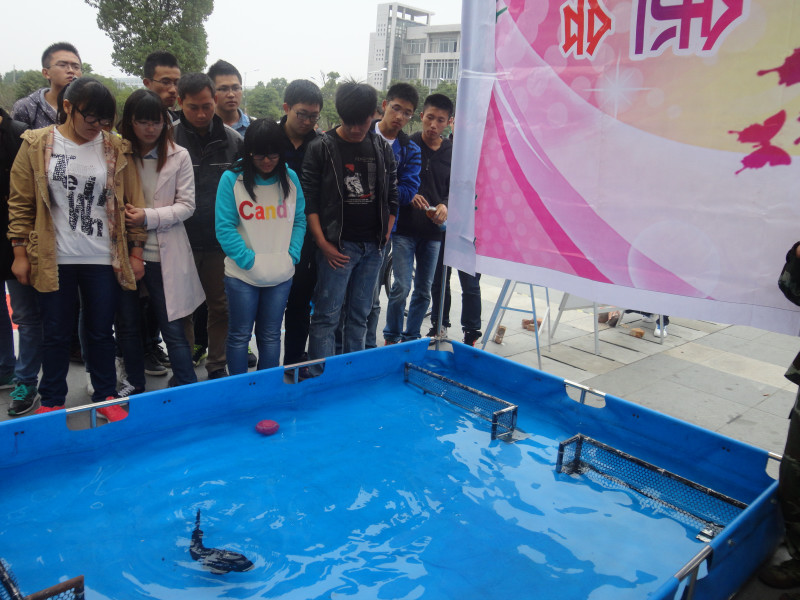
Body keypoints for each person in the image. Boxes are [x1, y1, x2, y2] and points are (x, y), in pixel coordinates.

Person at [8, 77, 147, 421]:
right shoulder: (38, 143)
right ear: (68, 107)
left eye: (105, 120)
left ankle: (105, 396)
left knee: (101, 331)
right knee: (55, 332)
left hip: (102, 256)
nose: (97, 126)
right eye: (91, 118)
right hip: (55, 255)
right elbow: (21, 202)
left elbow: (133, 202)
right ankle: (53, 401)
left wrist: (136, 251)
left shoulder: (116, 147)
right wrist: (20, 253)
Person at [301, 82, 398, 365]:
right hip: (337, 246)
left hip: (373, 247)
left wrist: (385, 236)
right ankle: (322, 375)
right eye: (349, 122)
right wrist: (323, 244)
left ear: (373, 115)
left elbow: (393, 196)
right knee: (326, 315)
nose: (356, 129)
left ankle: (351, 374)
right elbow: (309, 201)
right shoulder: (322, 147)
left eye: (363, 122)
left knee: (360, 315)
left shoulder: (381, 147)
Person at [119, 89, 205, 388]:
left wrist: (147, 216)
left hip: (161, 252)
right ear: (130, 122)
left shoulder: (178, 155)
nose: (150, 129)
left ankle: (185, 383)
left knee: (172, 326)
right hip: (124, 251)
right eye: (142, 122)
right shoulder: (118, 153)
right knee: (128, 325)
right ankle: (134, 385)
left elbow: (187, 206)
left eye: (156, 122)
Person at [216, 119, 306, 374]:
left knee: (271, 335)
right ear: (249, 152)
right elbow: (224, 227)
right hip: (242, 275)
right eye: (259, 155)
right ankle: (240, 390)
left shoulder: (290, 178)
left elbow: (299, 219)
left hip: (280, 273)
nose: (267, 161)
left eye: (273, 154)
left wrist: (291, 255)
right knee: (239, 335)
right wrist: (248, 260)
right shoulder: (232, 179)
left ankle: (267, 389)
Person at [173, 73, 242, 380]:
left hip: (220, 242)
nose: (201, 114)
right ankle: (184, 368)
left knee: (221, 307)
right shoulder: (168, 138)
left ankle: (217, 365)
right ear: (180, 103)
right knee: (181, 309)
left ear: (214, 100)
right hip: (179, 239)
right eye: (192, 107)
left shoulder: (233, 141)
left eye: (206, 106)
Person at [384, 93, 451, 344]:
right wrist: (408, 195)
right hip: (405, 228)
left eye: (440, 120)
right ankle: (391, 336)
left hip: (433, 232)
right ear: (421, 116)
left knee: (424, 290)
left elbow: (457, 188)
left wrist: (445, 205)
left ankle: (411, 338)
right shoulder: (407, 145)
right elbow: (393, 181)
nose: (433, 125)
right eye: (429, 118)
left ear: (449, 122)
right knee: (401, 286)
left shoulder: (452, 152)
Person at [360, 82, 421, 348]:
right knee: (341, 297)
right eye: (396, 108)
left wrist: (374, 183)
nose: (400, 117)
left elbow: (408, 192)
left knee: (372, 296)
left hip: (382, 232)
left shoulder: (410, 150)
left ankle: (368, 349)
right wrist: (389, 184)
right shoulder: (360, 135)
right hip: (346, 228)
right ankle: (341, 350)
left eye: (407, 113)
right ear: (384, 105)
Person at [1, 108, 42, 416]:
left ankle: (25, 381)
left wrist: (21, 252)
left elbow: (27, 199)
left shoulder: (20, 137)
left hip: (18, 242)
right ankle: (5, 368)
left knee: (27, 316)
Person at [280, 79, 323, 367]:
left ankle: (294, 359)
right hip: (267, 230)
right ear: (286, 108)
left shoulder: (320, 144)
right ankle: (264, 367)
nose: (307, 121)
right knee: (268, 303)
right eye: (302, 114)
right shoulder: (268, 139)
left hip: (305, 234)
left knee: (300, 298)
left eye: (313, 116)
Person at [12, 42, 82, 130]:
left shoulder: (90, 105)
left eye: (76, 67)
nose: (71, 70)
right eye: (63, 65)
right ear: (46, 73)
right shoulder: (26, 108)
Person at [208, 60, 251, 136]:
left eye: (236, 88)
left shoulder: (253, 128)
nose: (231, 94)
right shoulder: (202, 129)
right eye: (224, 89)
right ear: (211, 92)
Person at [143, 51, 181, 120]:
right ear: (147, 83)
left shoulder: (179, 122)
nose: (173, 90)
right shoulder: (132, 123)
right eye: (166, 82)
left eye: (177, 83)